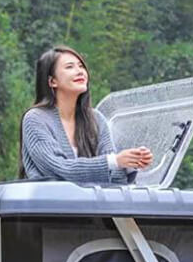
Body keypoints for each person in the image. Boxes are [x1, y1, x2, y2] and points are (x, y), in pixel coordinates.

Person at [18, 46, 152, 183]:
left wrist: (130, 163)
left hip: (91, 204)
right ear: (52, 81)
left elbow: (115, 176)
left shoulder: (96, 119)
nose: (80, 71)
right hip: (50, 203)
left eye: (81, 66)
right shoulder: (35, 119)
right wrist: (115, 161)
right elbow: (58, 170)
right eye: (70, 67)